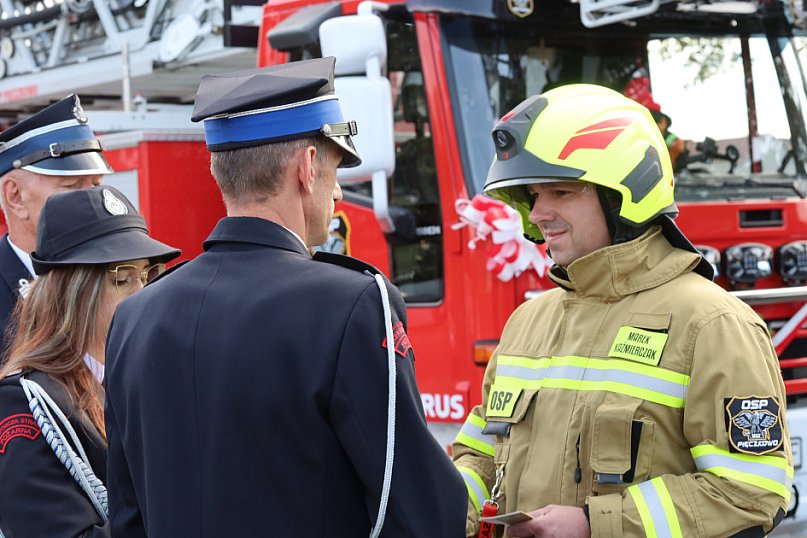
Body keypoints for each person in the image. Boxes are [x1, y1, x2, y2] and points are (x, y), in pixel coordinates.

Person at [104, 57, 466, 537]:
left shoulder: (133, 316)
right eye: (336, 168)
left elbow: (127, 516)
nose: (337, 191)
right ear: (309, 167)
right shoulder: (353, 303)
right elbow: (424, 513)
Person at [452, 84, 792, 537]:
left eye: (561, 191)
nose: (539, 214)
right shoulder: (527, 322)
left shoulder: (713, 324)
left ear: (625, 194)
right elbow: (481, 454)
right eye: (533, 195)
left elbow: (750, 495)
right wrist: (449, 509)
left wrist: (596, 526)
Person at [0, 186, 179, 537]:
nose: (142, 294)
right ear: (75, 292)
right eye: (123, 279)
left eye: (147, 275)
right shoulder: (25, 402)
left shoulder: (148, 378)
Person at [0, 94, 112, 358]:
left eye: (95, 185)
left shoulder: (120, 277)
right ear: (15, 196)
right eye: (71, 188)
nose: (91, 202)